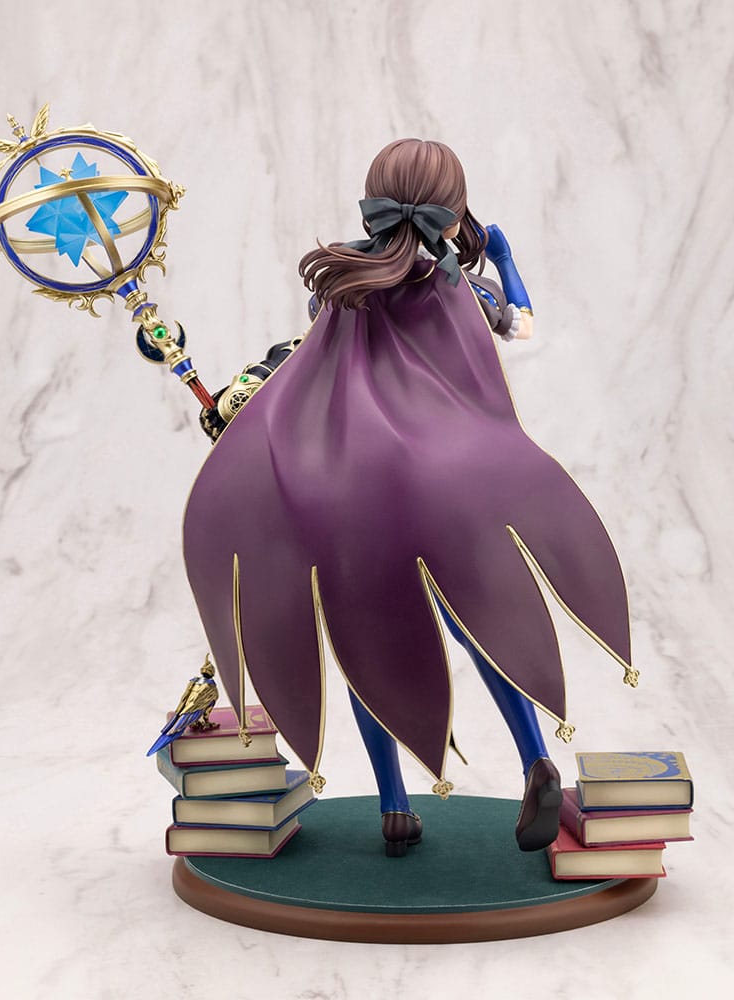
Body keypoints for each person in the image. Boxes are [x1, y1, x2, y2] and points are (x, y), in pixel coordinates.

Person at [183, 139, 638, 857]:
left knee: (368, 644)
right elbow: (523, 324)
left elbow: (310, 369)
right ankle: (534, 761)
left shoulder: (338, 285)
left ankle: (395, 807)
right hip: (452, 493)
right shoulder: (463, 289)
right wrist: (506, 260)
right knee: (478, 626)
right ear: (451, 213)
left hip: (354, 502)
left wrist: (250, 408)